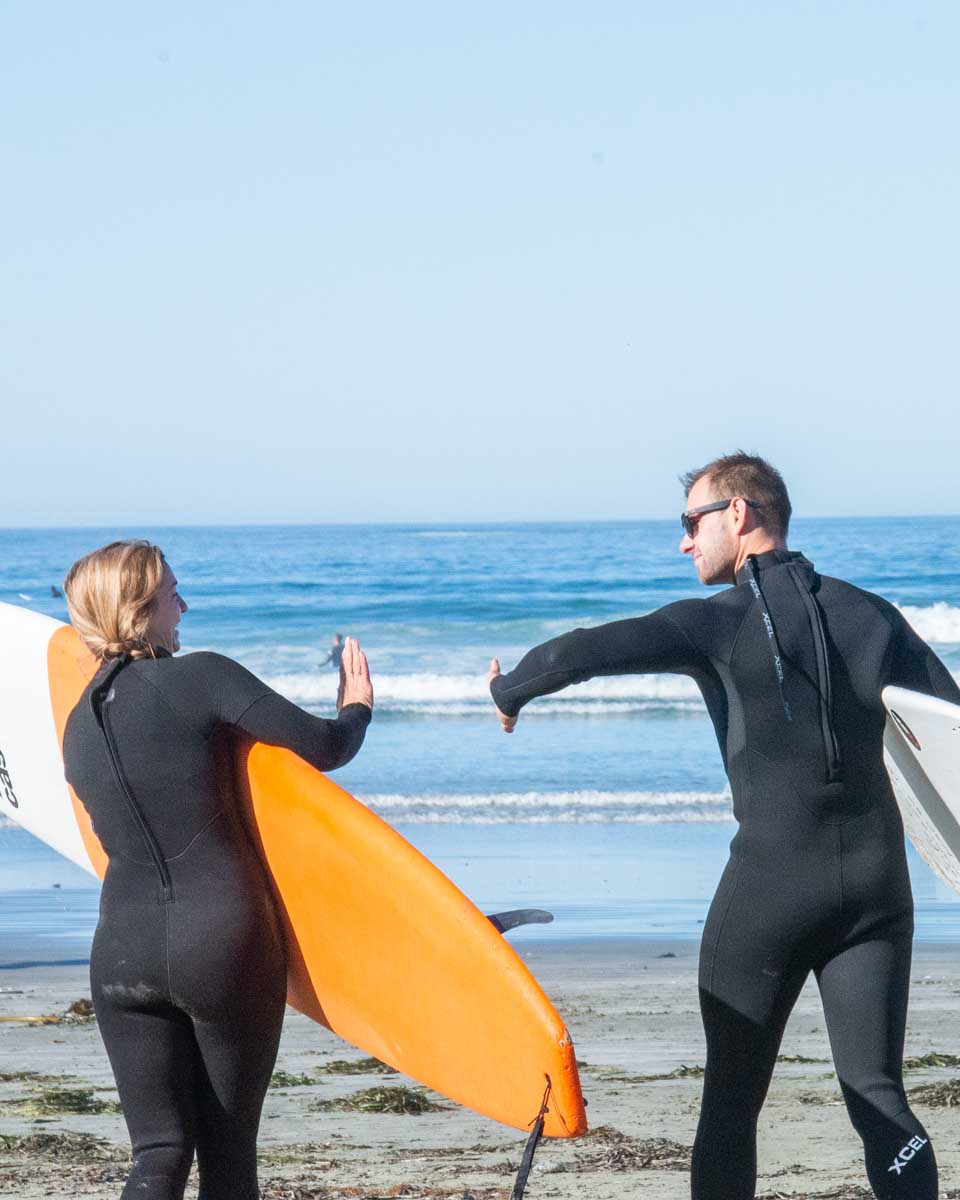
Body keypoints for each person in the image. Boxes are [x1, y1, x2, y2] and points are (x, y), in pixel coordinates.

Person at [488, 452, 956, 1200]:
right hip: (877, 889)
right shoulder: (874, 616)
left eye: (690, 523)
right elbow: (950, 731)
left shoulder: (715, 623)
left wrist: (510, 689)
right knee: (878, 1095)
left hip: (769, 892)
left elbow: (587, 650)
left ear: (737, 515)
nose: (684, 543)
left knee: (732, 1107)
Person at [62, 540, 373, 1200]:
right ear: (141, 606)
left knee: (158, 1153)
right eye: (174, 591)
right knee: (228, 1159)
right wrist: (358, 705)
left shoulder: (77, 724)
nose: (185, 603)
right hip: (223, 942)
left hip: (121, 953)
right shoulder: (202, 678)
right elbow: (325, 748)